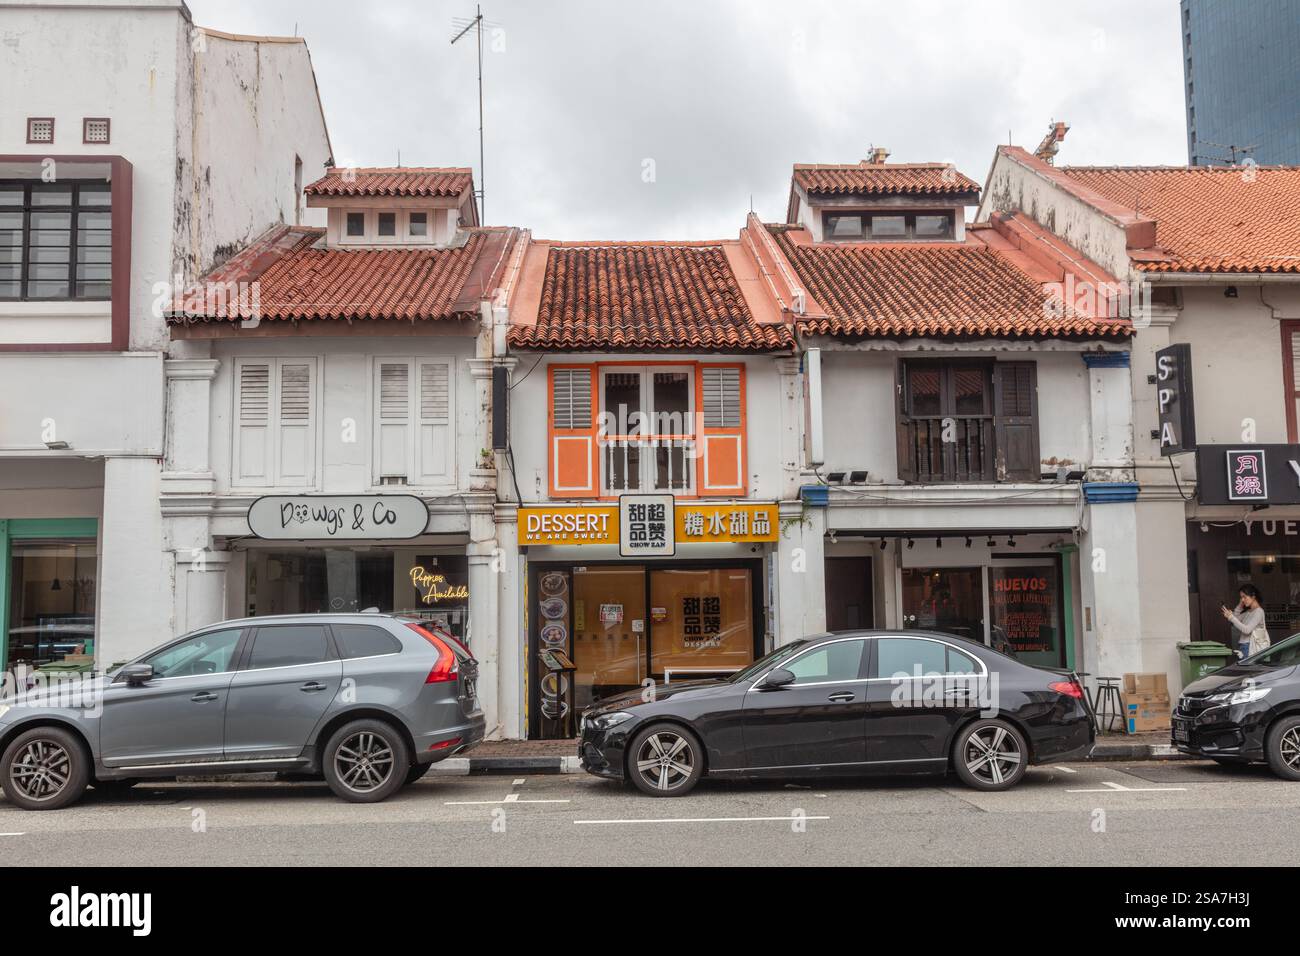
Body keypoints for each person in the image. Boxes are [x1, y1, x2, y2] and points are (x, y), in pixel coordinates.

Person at [1221, 584, 1268, 659]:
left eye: (1244, 597)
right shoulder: (1249, 612)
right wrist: (1240, 605)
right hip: (1244, 646)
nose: (1242, 600)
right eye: (1241, 597)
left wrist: (1231, 617)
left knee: (1249, 670)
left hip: (1250, 647)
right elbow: (1235, 618)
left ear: (1253, 597)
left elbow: (1247, 630)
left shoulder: (1259, 612)